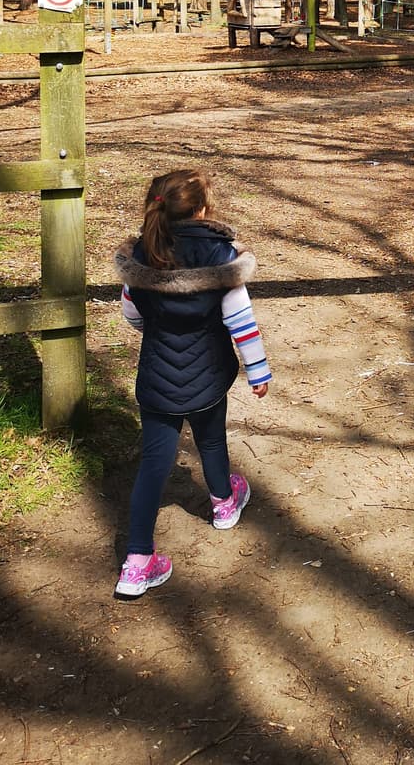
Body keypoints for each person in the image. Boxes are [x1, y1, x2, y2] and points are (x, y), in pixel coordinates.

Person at [111, 168, 271, 600]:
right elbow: (242, 321)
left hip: (157, 376)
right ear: (202, 209)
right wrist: (258, 371)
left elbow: (132, 315)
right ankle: (223, 502)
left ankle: (137, 561)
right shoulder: (221, 257)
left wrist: (160, 330)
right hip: (209, 372)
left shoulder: (143, 253)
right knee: (212, 440)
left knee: (153, 463)